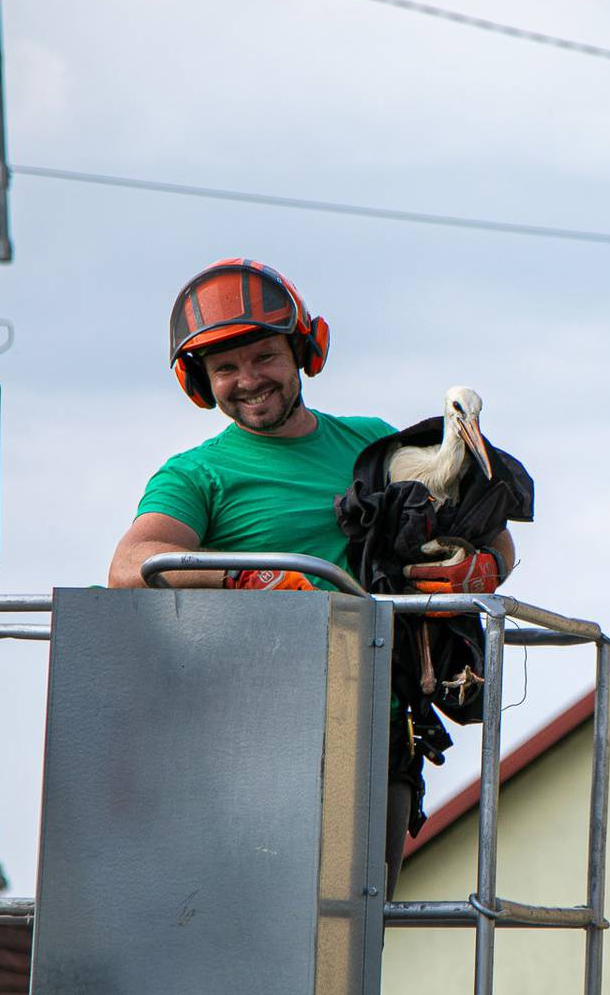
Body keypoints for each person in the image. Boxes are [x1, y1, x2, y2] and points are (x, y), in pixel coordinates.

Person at [108, 258, 514, 895]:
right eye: (225, 369)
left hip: (378, 725)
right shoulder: (195, 476)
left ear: (303, 352)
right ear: (201, 383)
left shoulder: (376, 447)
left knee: (356, 931)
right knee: (257, 925)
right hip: (249, 738)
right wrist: (253, 580)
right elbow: (132, 567)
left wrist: (476, 566)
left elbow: (496, 545)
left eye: (264, 357)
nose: (248, 380)